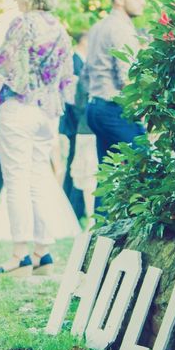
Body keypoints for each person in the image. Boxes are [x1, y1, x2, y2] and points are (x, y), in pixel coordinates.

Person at [0, 0, 75, 276]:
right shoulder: (60, 29)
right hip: (47, 112)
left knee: (16, 180)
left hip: (20, 105)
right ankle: (44, 251)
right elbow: (68, 77)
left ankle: (19, 253)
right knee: (40, 178)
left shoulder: (22, 24)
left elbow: (2, 63)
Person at [83, 0, 147, 163]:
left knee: (110, 175)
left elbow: (86, 74)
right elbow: (128, 77)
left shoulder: (98, 27)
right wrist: (141, 112)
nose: (142, 3)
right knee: (145, 164)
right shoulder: (121, 28)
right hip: (114, 108)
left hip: (95, 107)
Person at [60, 32, 96, 222]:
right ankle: (74, 211)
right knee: (79, 173)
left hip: (83, 127)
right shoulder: (77, 63)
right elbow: (75, 101)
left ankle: (76, 211)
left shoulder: (86, 65)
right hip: (79, 127)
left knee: (80, 172)